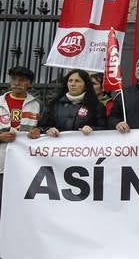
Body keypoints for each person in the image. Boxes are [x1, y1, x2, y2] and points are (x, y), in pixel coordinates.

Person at [0, 66, 43, 213]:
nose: (17, 83)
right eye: (14, 79)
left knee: (21, 209)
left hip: (25, 167)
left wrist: (39, 132)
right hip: (1, 164)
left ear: (29, 84)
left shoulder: (38, 105)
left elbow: (46, 128)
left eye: (22, 80)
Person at [39, 69, 106, 136]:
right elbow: (42, 127)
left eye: (77, 81)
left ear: (85, 85)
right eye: (70, 81)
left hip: (85, 145)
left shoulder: (96, 106)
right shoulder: (55, 104)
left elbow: (105, 129)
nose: (72, 84)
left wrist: (92, 129)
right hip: (58, 145)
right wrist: (49, 130)